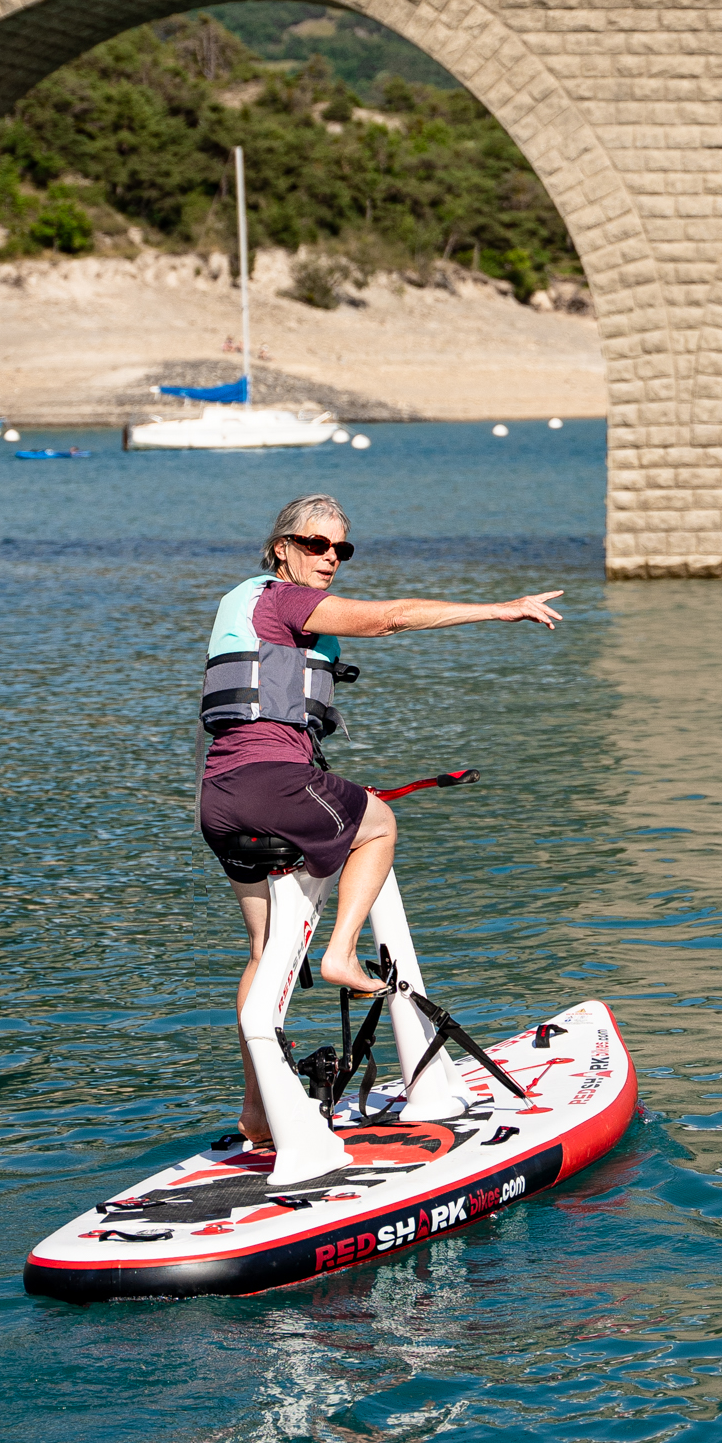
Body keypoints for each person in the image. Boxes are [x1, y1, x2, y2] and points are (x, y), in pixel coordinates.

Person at [198, 491, 561, 1152]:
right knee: (380, 823)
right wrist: (500, 609)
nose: (330, 558)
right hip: (271, 787)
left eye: (341, 548)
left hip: (219, 798)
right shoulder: (283, 599)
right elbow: (391, 619)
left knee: (266, 952)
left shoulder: (248, 607)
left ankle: (257, 1116)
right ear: (282, 547)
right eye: (315, 544)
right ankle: (340, 953)